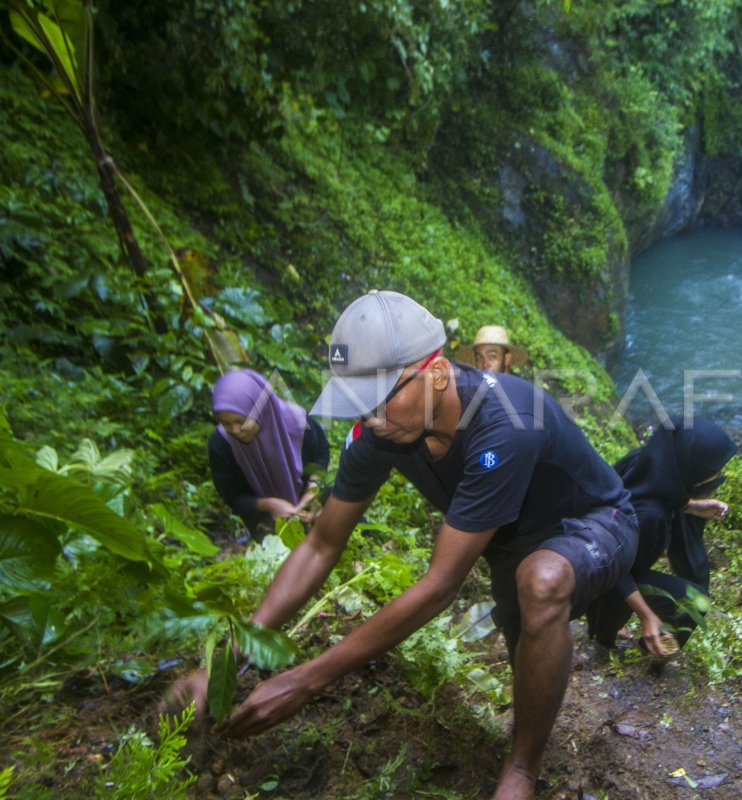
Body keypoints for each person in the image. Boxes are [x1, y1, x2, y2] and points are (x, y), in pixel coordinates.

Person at [168, 290, 636, 800]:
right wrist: (229, 658)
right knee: (522, 634)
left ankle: (521, 770)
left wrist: (307, 680)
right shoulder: (380, 431)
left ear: (435, 374)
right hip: (507, 540)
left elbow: (440, 587)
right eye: (356, 404)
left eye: (377, 399)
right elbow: (322, 544)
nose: (368, 419)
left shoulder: (505, 423)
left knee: (541, 584)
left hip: (595, 519)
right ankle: (525, 729)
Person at [586, 416, 736, 655]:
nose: (716, 474)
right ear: (692, 467)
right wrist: (647, 616)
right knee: (696, 601)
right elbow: (616, 569)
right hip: (604, 574)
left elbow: (643, 494)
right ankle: (606, 637)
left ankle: (603, 627)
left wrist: (690, 506)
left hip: (589, 550)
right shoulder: (651, 517)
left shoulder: (644, 461)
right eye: (712, 470)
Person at [208, 369, 329, 541]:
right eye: (226, 423)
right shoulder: (222, 444)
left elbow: (321, 453)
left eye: (241, 422)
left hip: (310, 504)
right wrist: (267, 505)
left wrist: (312, 491)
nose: (235, 431)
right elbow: (233, 496)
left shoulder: (297, 423)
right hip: (264, 518)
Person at [455, 324, 528, 374]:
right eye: (479, 357)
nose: (485, 364)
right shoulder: (474, 390)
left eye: (492, 356)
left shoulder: (521, 392)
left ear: (507, 359)